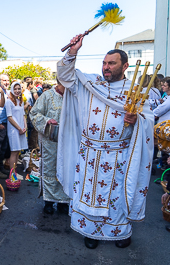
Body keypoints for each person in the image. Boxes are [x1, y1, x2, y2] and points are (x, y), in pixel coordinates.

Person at [56, 34, 154, 249]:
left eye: (111, 63)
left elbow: (149, 120)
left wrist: (137, 119)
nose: (106, 67)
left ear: (125, 66)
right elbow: (64, 75)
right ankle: (90, 231)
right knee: (89, 192)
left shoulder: (135, 92)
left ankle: (120, 232)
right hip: (89, 154)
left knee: (117, 195)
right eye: (104, 63)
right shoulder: (90, 85)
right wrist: (73, 51)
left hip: (119, 155)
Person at [30, 80, 69, 214]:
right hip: (49, 141)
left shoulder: (73, 97)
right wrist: (47, 121)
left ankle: (64, 202)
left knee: (66, 169)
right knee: (50, 169)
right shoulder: (47, 96)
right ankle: (49, 202)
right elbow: (34, 114)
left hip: (68, 142)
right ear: (59, 82)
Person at [6, 82, 28, 172]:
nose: (17, 91)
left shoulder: (20, 101)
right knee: (14, 151)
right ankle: (12, 174)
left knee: (18, 151)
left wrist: (25, 127)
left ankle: (14, 173)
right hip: (13, 129)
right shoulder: (8, 101)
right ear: (12, 90)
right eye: (15, 89)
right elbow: (9, 117)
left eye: (19, 88)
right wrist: (19, 128)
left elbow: (23, 115)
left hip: (21, 129)